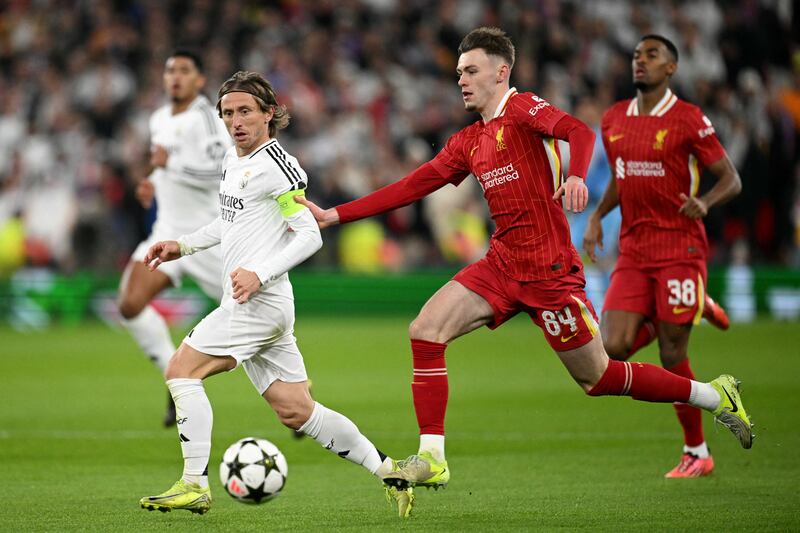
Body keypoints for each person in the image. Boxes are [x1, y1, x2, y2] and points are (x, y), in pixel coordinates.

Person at [296, 27, 753, 490]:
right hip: (501, 264)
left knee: (598, 377)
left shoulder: (522, 109)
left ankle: (714, 396)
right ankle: (433, 456)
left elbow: (578, 131)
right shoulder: (469, 140)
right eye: (458, 72)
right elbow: (414, 185)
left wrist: (577, 178)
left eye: (471, 70)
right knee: (425, 330)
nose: (462, 79)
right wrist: (336, 214)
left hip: (549, 271)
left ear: (501, 72)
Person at [138, 71, 413, 518]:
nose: (235, 121)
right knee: (296, 410)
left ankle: (193, 484)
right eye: (227, 113)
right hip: (255, 305)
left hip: (259, 303)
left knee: (181, 369)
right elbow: (227, 222)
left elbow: (309, 235)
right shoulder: (233, 160)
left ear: (269, 114)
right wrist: (183, 245)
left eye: (245, 111)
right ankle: (390, 472)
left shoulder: (278, 166)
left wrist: (259, 273)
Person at [582, 35, 743, 478]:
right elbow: (622, 177)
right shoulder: (614, 118)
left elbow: (731, 178)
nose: (641, 61)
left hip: (679, 248)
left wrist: (706, 203)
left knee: (673, 355)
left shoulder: (689, 119)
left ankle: (698, 452)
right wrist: (597, 216)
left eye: (652, 55)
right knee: (610, 351)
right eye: (636, 55)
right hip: (633, 248)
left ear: (670, 67)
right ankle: (694, 306)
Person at [118, 49, 229, 427]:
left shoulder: (208, 118)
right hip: (167, 231)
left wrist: (170, 166)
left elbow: (222, 171)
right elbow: (163, 166)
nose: (176, 77)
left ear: (199, 80)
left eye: (184, 71)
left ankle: (300, 389)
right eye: (170, 71)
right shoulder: (159, 118)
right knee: (130, 303)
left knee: (255, 320)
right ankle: (174, 376)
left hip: (208, 238)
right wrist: (153, 181)